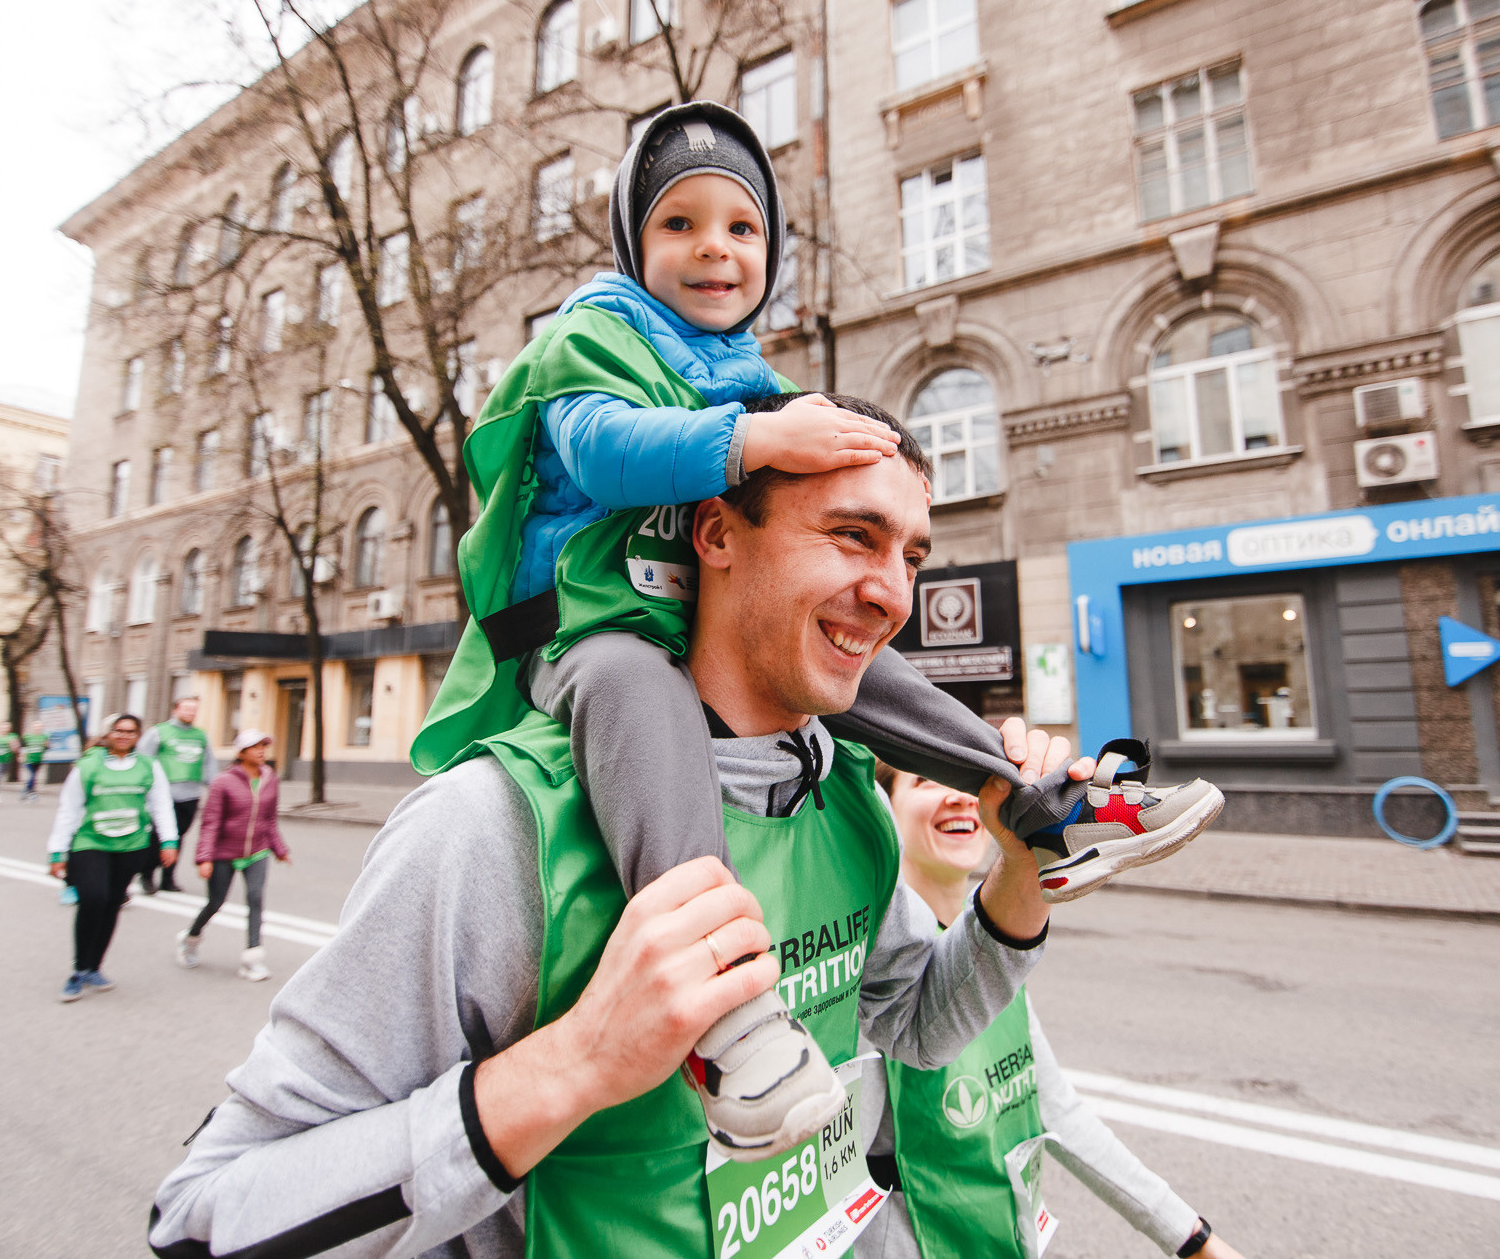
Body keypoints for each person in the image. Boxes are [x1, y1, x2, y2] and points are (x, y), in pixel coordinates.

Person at [413, 100, 1224, 1158]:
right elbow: (609, 452)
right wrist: (757, 437)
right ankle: (724, 1011)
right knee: (638, 687)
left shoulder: (830, 783)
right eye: (679, 224)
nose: (714, 246)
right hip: (584, 627)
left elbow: (919, 1022)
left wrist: (844, 443)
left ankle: (1034, 806)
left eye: (741, 227)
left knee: (861, 666)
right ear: (632, 244)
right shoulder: (593, 336)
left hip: (666, 611)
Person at [150, 393, 1091, 1256]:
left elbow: (916, 1023)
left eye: (911, 555)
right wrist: (576, 1062)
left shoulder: (841, 791)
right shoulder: (493, 824)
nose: (894, 594)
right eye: (854, 536)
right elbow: (204, 1215)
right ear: (717, 532)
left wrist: (1018, 876)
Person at [861, 764, 1246, 1259]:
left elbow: (1058, 1109)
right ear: (884, 811)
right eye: (925, 782)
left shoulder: (990, 958)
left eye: (964, 786)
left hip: (999, 1236)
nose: (957, 798)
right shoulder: (871, 973)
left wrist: (1193, 1239)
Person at [45, 713, 178, 1002]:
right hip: (90, 842)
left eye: (131, 731)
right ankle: (79, 970)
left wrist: (169, 841)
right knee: (93, 898)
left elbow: (161, 805)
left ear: (138, 736)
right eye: (119, 731)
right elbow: (68, 810)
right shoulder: (88, 765)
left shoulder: (148, 766)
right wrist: (58, 851)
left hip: (131, 845)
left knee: (112, 903)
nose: (124, 736)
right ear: (108, 734)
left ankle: (95, 967)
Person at [175, 728, 289, 982]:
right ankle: (190, 939)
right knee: (216, 902)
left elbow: (269, 820)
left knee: (255, 898)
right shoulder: (223, 782)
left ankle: (252, 959)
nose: (261, 751)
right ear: (241, 752)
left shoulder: (270, 778)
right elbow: (211, 823)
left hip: (257, 851)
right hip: (224, 852)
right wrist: (204, 858)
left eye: (263, 746)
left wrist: (279, 849)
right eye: (255, 747)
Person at [137, 696, 212, 894]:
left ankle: (168, 878)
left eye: (194, 709)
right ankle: (147, 875)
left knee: (179, 836)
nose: (191, 712)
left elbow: (209, 764)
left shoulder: (201, 736)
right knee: (158, 836)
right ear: (175, 710)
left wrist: (214, 787)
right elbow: (143, 759)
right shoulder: (159, 732)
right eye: (187, 708)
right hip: (163, 795)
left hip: (191, 795)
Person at [20, 724, 48, 802]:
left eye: (39, 727)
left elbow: (46, 747)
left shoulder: (43, 737)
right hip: (29, 760)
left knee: (34, 777)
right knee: (32, 776)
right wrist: (22, 756)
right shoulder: (28, 737)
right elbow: (23, 747)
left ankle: (25, 790)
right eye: (36, 727)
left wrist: (47, 745)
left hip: (38, 760)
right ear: (33, 728)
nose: (38, 729)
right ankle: (32, 793)